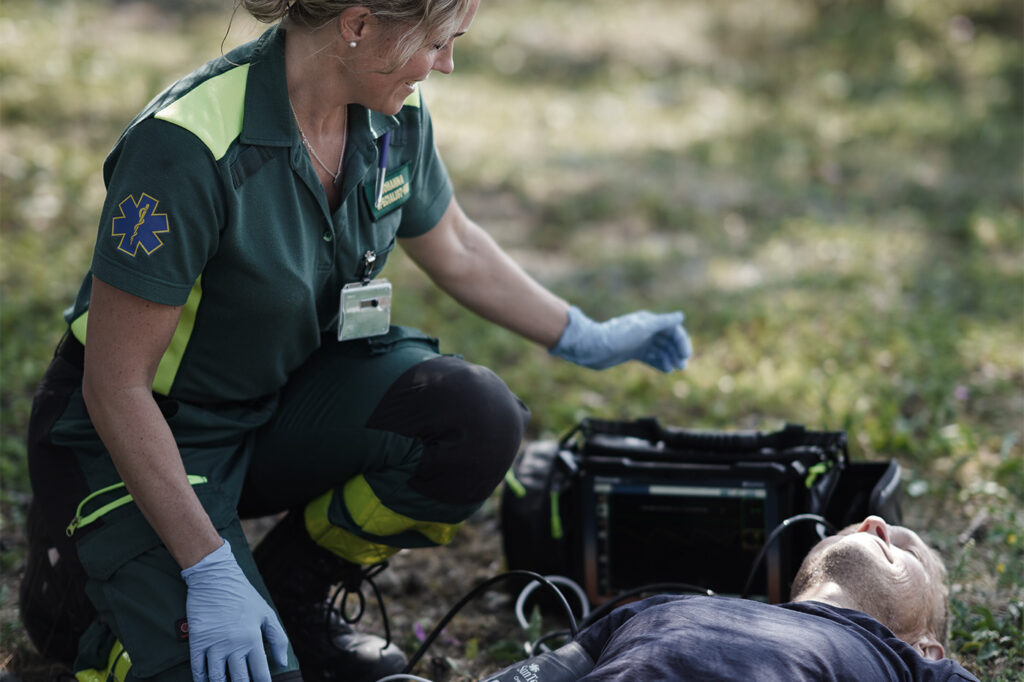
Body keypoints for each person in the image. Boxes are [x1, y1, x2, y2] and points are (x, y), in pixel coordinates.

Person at [18, 1, 693, 681]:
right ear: (359, 24)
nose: (447, 64)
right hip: (140, 434)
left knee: (474, 418)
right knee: (242, 670)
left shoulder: (394, 112)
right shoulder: (186, 146)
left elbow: (454, 242)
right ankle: (78, 609)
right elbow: (115, 386)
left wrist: (584, 335)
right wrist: (209, 566)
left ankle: (291, 593)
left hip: (276, 404)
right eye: (437, 42)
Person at [484, 515, 979, 682]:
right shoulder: (660, 606)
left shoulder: (912, 669)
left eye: (904, 546)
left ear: (925, 646)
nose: (875, 523)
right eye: (854, 527)